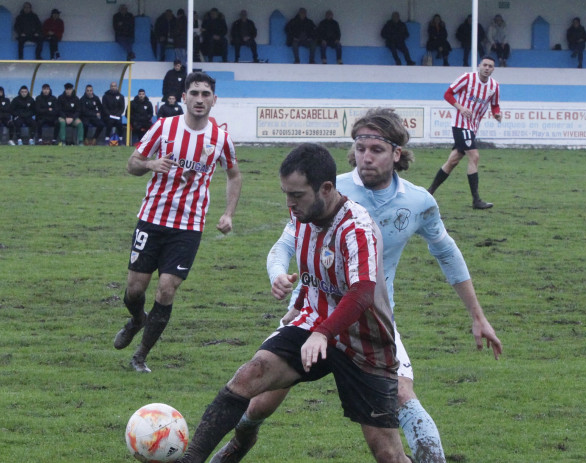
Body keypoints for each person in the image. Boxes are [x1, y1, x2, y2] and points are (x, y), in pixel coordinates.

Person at [209, 108, 503, 463]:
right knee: (258, 404)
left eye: (376, 149)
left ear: (397, 153)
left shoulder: (418, 202)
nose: (366, 156)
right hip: (311, 315)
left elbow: (448, 255)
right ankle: (239, 443)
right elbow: (285, 242)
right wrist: (278, 274)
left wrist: (478, 316)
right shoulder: (327, 187)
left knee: (402, 396)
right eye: (360, 147)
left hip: (372, 322)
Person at [175, 143, 410, 463]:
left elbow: (363, 292)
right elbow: (297, 259)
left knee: (387, 454)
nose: (290, 203)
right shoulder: (302, 212)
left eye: (296, 195)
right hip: (312, 323)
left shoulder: (356, 226)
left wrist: (323, 333)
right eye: (286, 193)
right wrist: (291, 292)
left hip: (364, 343)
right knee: (249, 376)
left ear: (326, 188)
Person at [114, 71, 242, 373]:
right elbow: (132, 163)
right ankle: (137, 319)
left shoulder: (221, 139)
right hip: (151, 219)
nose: (200, 99)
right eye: (194, 93)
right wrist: (149, 164)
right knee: (135, 290)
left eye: (205, 94)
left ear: (214, 99)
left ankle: (141, 356)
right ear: (184, 97)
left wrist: (228, 214)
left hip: (189, 226)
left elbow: (234, 175)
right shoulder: (164, 127)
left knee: (167, 289)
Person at [427, 56, 502, 209]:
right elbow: (448, 94)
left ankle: (428, 194)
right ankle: (476, 200)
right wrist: (461, 108)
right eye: (485, 65)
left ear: (493, 69)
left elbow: (494, 105)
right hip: (460, 124)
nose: (487, 68)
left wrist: (497, 114)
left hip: (473, 127)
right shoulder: (467, 78)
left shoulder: (494, 86)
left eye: (490, 66)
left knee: (453, 161)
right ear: (479, 66)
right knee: (474, 156)